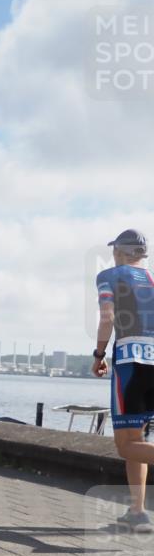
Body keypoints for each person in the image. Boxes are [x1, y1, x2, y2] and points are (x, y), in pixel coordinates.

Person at [93, 228, 154, 533]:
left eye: (115, 249)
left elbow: (107, 318)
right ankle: (138, 512)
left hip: (131, 363)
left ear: (121, 251)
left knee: (125, 447)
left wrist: (99, 353)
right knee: (137, 440)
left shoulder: (110, 275)